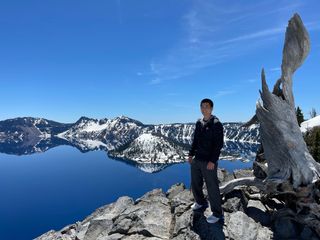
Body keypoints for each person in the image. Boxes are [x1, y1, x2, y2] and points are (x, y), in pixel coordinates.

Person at [188, 98, 224, 224]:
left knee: (212, 186)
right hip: (197, 159)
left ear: (212, 108)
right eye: (202, 106)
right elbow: (195, 140)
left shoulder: (216, 124)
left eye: (207, 106)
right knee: (195, 182)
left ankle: (217, 213)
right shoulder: (199, 123)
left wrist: (213, 161)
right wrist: (191, 154)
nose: (204, 109)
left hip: (209, 161)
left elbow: (218, 145)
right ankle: (200, 202)